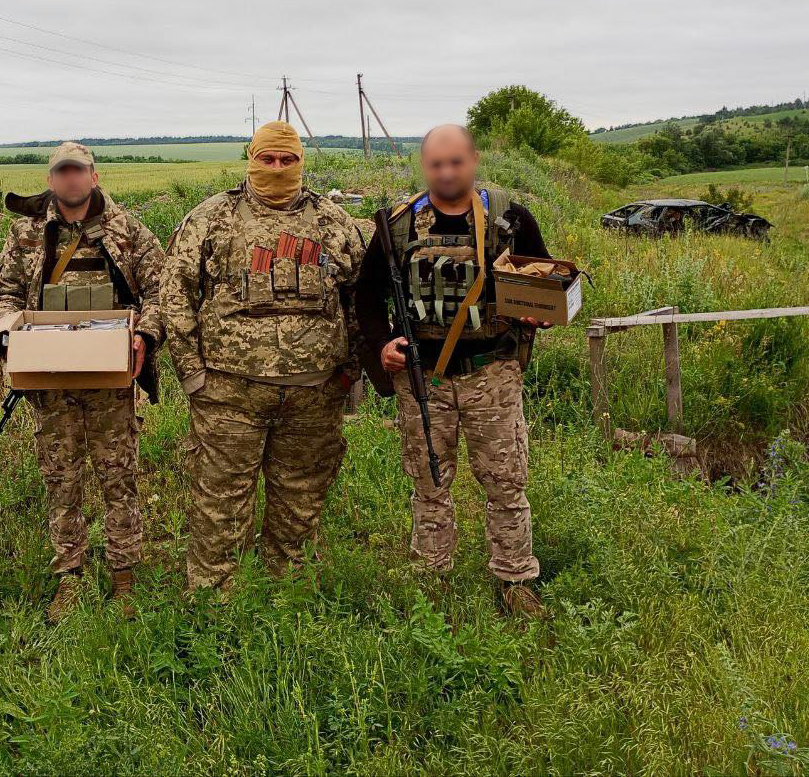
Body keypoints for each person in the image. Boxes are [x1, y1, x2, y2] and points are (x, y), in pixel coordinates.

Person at [354, 123, 550, 617]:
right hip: (425, 375)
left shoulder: (511, 218)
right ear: (425, 166)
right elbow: (365, 296)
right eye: (436, 164)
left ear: (473, 160)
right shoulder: (398, 225)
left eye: (456, 162)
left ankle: (516, 581)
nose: (446, 172)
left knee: (506, 481)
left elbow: (545, 279)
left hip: (493, 372)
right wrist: (382, 345)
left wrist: (538, 310)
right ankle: (430, 580)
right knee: (429, 483)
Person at [161, 120, 365, 592]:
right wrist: (192, 375)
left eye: (287, 160)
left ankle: (286, 604)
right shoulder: (211, 218)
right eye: (267, 159)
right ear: (250, 159)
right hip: (228, 397)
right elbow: (175, 295)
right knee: (219, 509)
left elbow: (359, 299)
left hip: (313, 399)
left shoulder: (333, 222)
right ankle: (214, 609)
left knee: (300, 503)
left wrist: (349, 371)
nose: (276, 168)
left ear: (301, 162)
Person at [0, 142, 165, 620]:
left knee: (118, 476)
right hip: (51, 380)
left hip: (110, 379)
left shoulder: (127, 230)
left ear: (94, 174)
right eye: (62, 172)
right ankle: (70, 576)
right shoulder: (26, 233)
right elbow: (3, 293)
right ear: (50, 180)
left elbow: (160, 291)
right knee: (61, 479)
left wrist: (144, 334)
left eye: (79, 171)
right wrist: (9, 332)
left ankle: (124, 576)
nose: (71, 180)